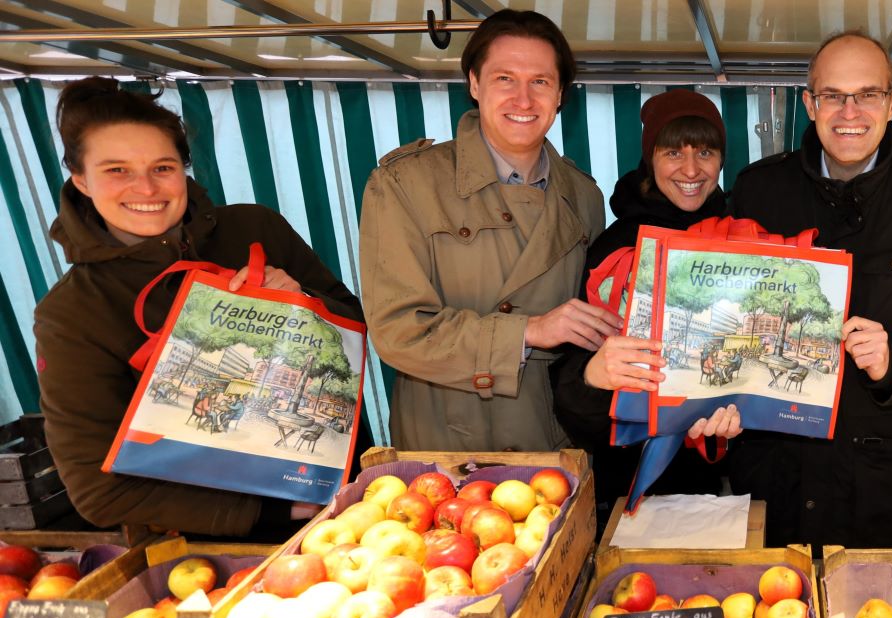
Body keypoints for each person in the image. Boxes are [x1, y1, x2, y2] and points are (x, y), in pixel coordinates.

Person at [35, 77, 362, 538]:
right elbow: (97, 490)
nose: (145, 188)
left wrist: (305, 303)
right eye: (117, 170)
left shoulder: (255, 228)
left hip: (358, 508)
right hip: (218, 552)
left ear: (183, 170)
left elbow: (357, 327)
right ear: (81, 180)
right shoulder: (72, 312)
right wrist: (273, 515)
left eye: (162, 167)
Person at [726, 32, 892, 551]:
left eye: (867, 94)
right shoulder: (759, 189)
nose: (850, 111)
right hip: (778, 476)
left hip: (889, 488)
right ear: (810, 103)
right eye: (833, 95)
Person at [360, 10, 611, 452]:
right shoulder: (406, 184)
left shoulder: (586, 198)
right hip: (444, 445)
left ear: (559, 96)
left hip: (549, 442)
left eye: (540, 82)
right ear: (475, 84)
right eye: (504, 79)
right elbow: (398, 331)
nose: (523, 99)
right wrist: (528, 331)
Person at [551, 89, 742, 510]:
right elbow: (573, 377)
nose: (691, 169)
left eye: (706, 152)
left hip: (718, 483)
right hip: (625, 478)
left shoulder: (742, 241)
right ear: (650, 158)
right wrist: (593, 377)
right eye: (673, 152)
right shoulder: (614, 246)